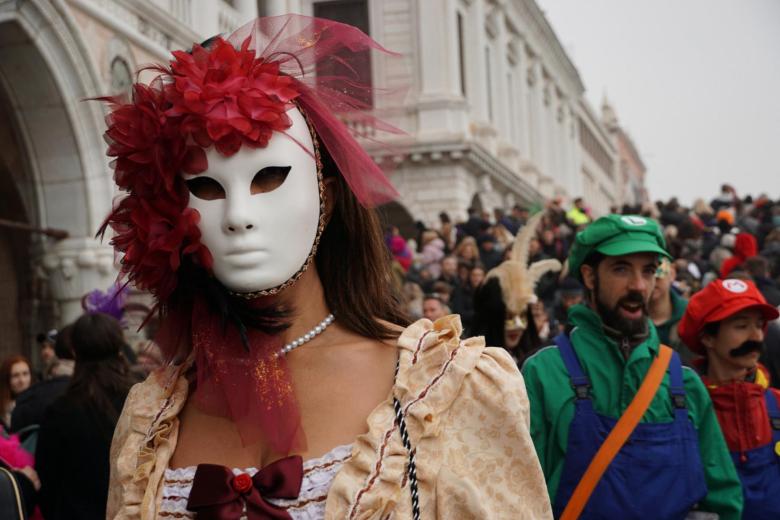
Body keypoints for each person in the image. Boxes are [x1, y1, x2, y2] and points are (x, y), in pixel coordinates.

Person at [105, 16, 551, 519]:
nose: (238, 217)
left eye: (268, 177)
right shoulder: (151, 421)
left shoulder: (446, 390)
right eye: (205, 188)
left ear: (327, 196)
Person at [522, 214, 743, 519]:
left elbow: (725, 502)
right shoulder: (543, 374)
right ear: (589, 276)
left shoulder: (686, 384)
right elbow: (518, 500)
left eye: (649, 270)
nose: (639, 285)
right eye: (621, 269)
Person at [678, 278, 780, 519]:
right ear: (708, 338)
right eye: (741, 326)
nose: (755, 336)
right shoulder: (686, 413)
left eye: (758, 325)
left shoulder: (776, 404)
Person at [36, 312, 136, 519]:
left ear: (74, 350)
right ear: (118, 347)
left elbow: (48, 481)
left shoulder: (60, 411)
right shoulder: (140, 401)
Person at [472, 213, 561, 366]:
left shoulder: (537, 363)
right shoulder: (473, 363)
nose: (518, 325)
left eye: (522, 316)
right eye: (509, 317)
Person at [648, 258, 694, 365]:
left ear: (672, 273)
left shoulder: (692, 316)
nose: (653, 280)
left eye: (658, 274)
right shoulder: (626, 319)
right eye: (647, 273)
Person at [0, 356, 32, 430]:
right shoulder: (3, 409)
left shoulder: (39, 401)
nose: (22, 381)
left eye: (25, 374)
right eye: (15, 376)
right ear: (6, 380)